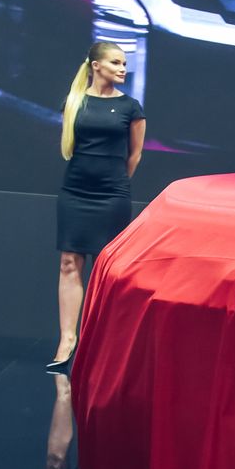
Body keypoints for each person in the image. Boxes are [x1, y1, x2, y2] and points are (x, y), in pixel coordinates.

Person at [49, 42, 146, 372]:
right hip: (75, 190)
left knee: (107, 268)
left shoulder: (130, 107)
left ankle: (100, 342)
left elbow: (134, 155)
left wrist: (115, 182)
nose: (123, 68)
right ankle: (67, 339)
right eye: (116, 62)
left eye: (124, 63)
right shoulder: (75, 102)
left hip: (112, 194)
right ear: (96, 65)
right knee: (68, 262)